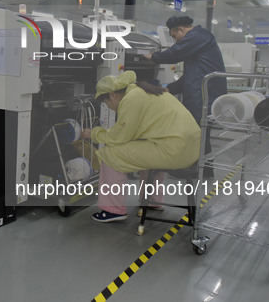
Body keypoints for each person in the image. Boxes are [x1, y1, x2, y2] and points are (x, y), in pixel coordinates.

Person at [80, 71, 201, 222]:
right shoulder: (144, 91)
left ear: (112, 95)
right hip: (190, 149)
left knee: (109, 153)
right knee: (145, 149)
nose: (110, 108)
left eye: (106, 103)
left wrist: (92, 133)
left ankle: (113, 210)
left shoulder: (131, 99)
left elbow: (119, 137)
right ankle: (152, 201)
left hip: (173, 152)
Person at [143, 16, 227, 124]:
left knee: (198, 129)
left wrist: (153, 57)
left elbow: (175, 53)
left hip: (203, 95)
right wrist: (170, 88)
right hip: (202, 92)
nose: (175, 40)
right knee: (199, 131)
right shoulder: (199, 39)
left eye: (174, 36)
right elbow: (192, 74)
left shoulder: (198, 36)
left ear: (181, 30)